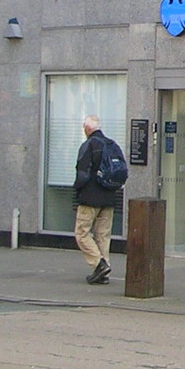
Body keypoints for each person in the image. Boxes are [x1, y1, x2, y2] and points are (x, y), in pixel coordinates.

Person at [73, 115, 121, 285]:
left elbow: (82, 173)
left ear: (87, 128)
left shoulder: (89, 145)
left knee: (81, 233)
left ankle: (99, 264)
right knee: (103, 235)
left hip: (90, 198)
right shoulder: (112, 145)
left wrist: (77, 191)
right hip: (109, 197)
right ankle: (103, 273)